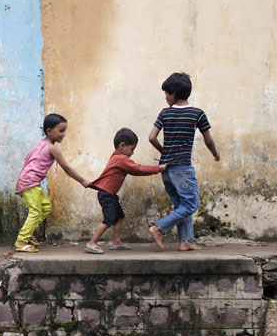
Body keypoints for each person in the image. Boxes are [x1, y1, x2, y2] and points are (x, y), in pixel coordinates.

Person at [147, 72, 220, 251]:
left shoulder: (165, 113)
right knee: (191, 204)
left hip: (166, 168)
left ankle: (185, 241)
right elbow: (208, 140)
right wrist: (215, 153)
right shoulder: (197, 114)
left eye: (166, 93)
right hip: (182, 168)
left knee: (182, 205)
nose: (165, 97)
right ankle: (159, 227)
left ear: (174, 93)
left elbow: (152, 138)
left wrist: (165, 152)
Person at [14, 113, 91, 253]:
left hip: (28, 180)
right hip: (29, 181)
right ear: (49, 131)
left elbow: (28, 157)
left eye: (64, 131)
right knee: (36, 211)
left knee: (44, 207)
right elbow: (66, 167)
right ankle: (21, 242)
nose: (64, 134)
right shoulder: (52, 148)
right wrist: (82, 180)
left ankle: (28, 232)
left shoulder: (40, 143)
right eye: (61, 131)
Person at [85, 128, 166, 254]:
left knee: (119, 217)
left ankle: (117, 242)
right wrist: (157, 169)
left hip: (109, 194)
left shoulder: (117, 156)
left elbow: (134, 170)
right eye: (132, 149)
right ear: (122, 146)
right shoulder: (121, 159)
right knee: (109, 220)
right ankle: (92, 242)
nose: (132, 153)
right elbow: (138, 169)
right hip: (107, 194)